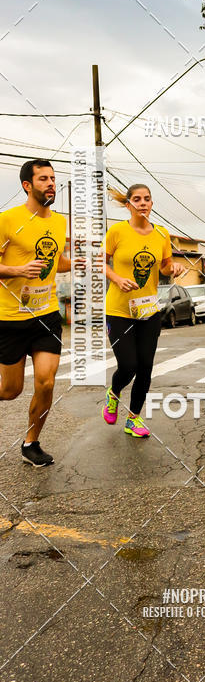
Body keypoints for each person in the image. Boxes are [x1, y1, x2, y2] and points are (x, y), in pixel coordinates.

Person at [0, 160, 70, 466]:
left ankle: (31, 442)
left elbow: (54, 261)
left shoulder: (59, 222)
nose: (51, 183)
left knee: (46, 381)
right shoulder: (7, 220)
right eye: (43, 179)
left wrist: (78, 261)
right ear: (27, 185)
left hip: (46, 315)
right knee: (10, 389)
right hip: (10, 318)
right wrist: (17, 269)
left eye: (53, 178)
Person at [103, 184, 184, 437]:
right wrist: (116, 278)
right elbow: (100, 263)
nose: (142, 203)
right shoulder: (117, 231)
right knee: (128, 365)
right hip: (118, 309)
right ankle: (114, 393)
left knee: (146, 367)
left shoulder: (161, 233)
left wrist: (175, 269)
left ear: (151, 204)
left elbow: (165, 267)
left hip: (148, 310)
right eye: (137, 199)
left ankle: (133, 419)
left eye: (147, 199)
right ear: (128, 205)